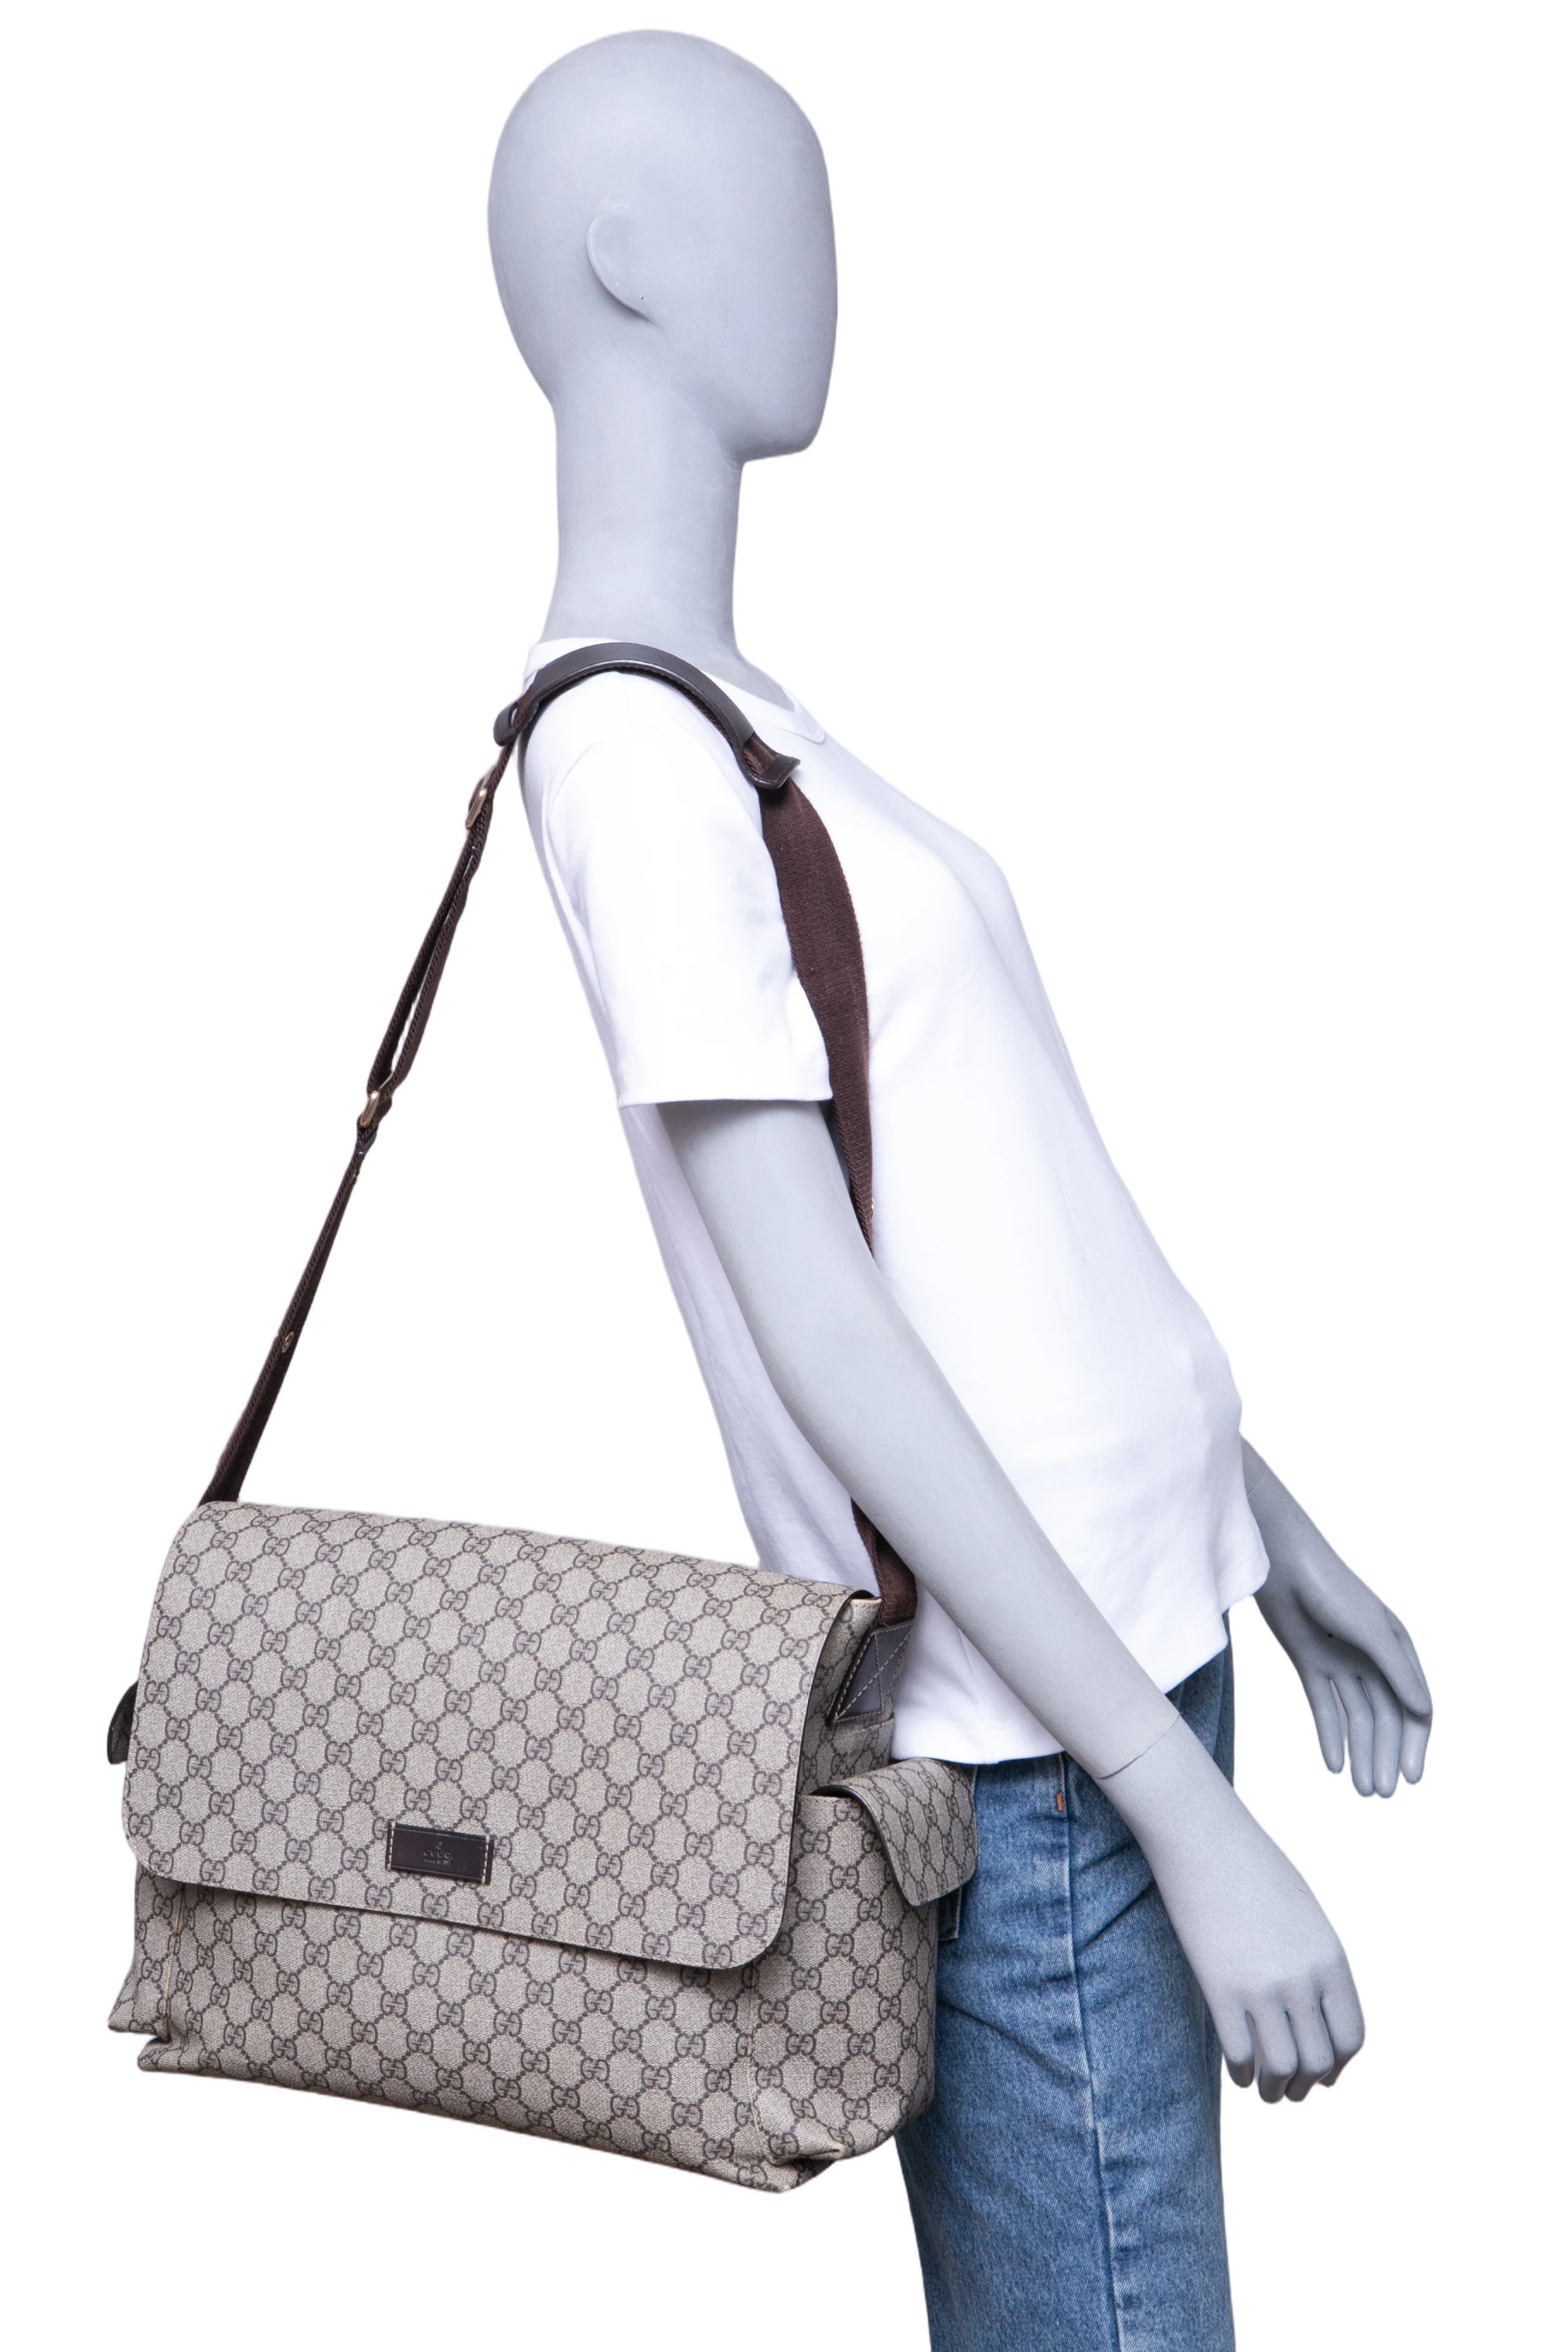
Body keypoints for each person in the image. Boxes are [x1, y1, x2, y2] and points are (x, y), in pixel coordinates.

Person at [481, 28, 1436, 2348]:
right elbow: (821, 1325)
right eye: (801, 212)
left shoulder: (761, 718)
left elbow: (1017, 1219)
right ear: (629, 252)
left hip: (1125, 1661)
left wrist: (1266, 1533)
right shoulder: (632, 752)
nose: (840, 268)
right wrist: (1177, 1807)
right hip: (1039, 1758)